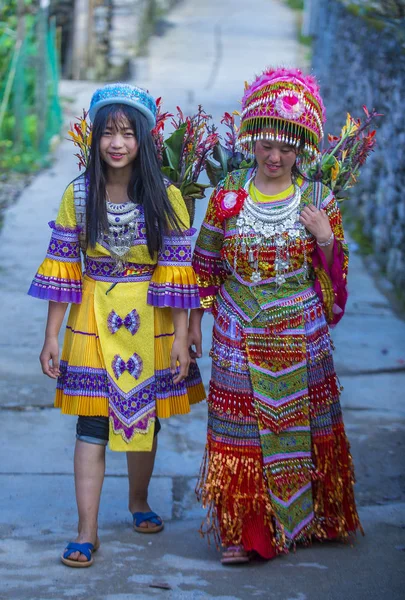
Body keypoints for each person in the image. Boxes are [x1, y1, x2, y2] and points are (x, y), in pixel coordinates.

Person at [28, 83, 205, 567]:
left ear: (145, 139)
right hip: (91, 318)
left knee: (144, 420)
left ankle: (138, 501)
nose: (117, 143)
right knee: (93, 423)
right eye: (108, 133)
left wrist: (184, 341)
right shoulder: (78, 195)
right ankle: (86, 532)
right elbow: (63, 267)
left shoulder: (168, 196)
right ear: (95, 139)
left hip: (154, 320)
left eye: (128, 133)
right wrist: (50, 336)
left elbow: (178, 275)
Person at [189, 68, 362, 564]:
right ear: (250, 141)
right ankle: (246, 533)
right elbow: (204, 265)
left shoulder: (317, 200)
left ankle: (311, 519)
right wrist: (196, 323)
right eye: (265, 144)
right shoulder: (227, 194)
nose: (273, 156)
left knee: (300, 426)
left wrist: (325, 237)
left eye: (286, 146)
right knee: (240, 429)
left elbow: (336, 276)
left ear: (303, 147)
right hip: (236, 328)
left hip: (300, 332)